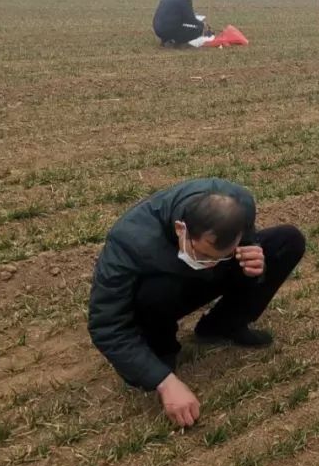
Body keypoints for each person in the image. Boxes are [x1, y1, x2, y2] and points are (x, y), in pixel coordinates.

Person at [88, 178, 306, 427]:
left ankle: (222, 326)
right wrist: (163, 381)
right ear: (182, 229)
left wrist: (255, 264)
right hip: (163, 294)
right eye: (202, 254)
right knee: (155, 289)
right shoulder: (129, 241)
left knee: (287, 240)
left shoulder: (240, 204)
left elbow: (245, 245)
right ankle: (161, 350)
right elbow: (106, 325)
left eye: (220, 257)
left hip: (196, 280)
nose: (210, 263)